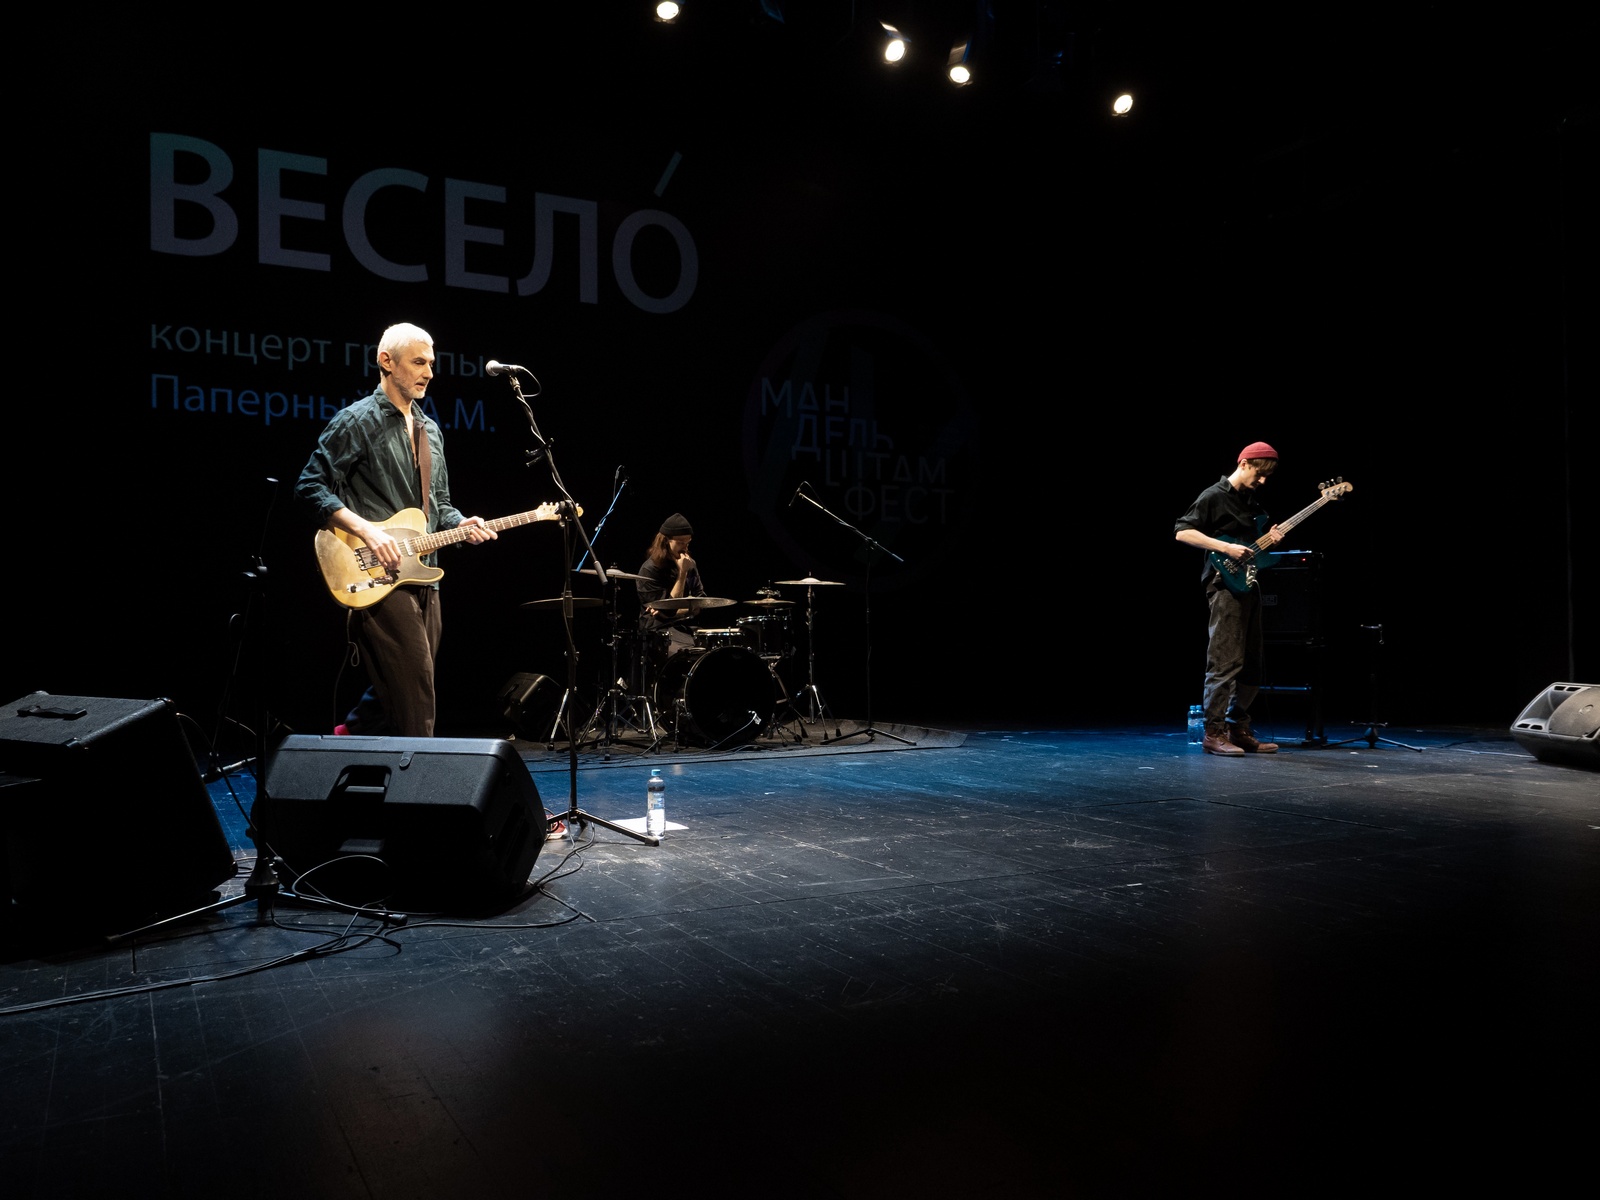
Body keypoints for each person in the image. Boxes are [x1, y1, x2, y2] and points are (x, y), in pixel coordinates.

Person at [296, 322, 496, 736]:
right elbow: (309, 487)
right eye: (419, 362)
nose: (429, 373)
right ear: (386, 362)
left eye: (432, 364)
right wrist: (367, 531)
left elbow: (438, 505)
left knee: (409, 679)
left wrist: (461, 523)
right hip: (376, 571)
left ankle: (354, 731)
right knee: (418, 693)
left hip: (423, 571)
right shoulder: (356, 421)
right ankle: (422, 770)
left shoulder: (430, 430)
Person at [1174, 441, 1285, 756]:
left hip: (1248, 584)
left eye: (1267, 477)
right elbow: (1182, 531)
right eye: (1259, 474)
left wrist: (1270, 540)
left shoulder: (1250, 502)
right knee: (1225, 660)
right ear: (1244, 463)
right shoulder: (1214, 496)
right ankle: (1214, 732)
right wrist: (1224, 547)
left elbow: (1253, 548)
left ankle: (1238, 727)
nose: (1262, 481)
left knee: (1252, 662)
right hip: (1223, 584)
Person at [636, 513, 704, 657]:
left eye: (688, 543)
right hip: (657, 631)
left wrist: (674, 611)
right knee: (686, 654)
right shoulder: (649, 569)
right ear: (666, 541)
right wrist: (682, 573)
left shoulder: (690, 564)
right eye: (680, 543)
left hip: (684, 627)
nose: (685, 548)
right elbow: (669, 610)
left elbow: (700, 601)